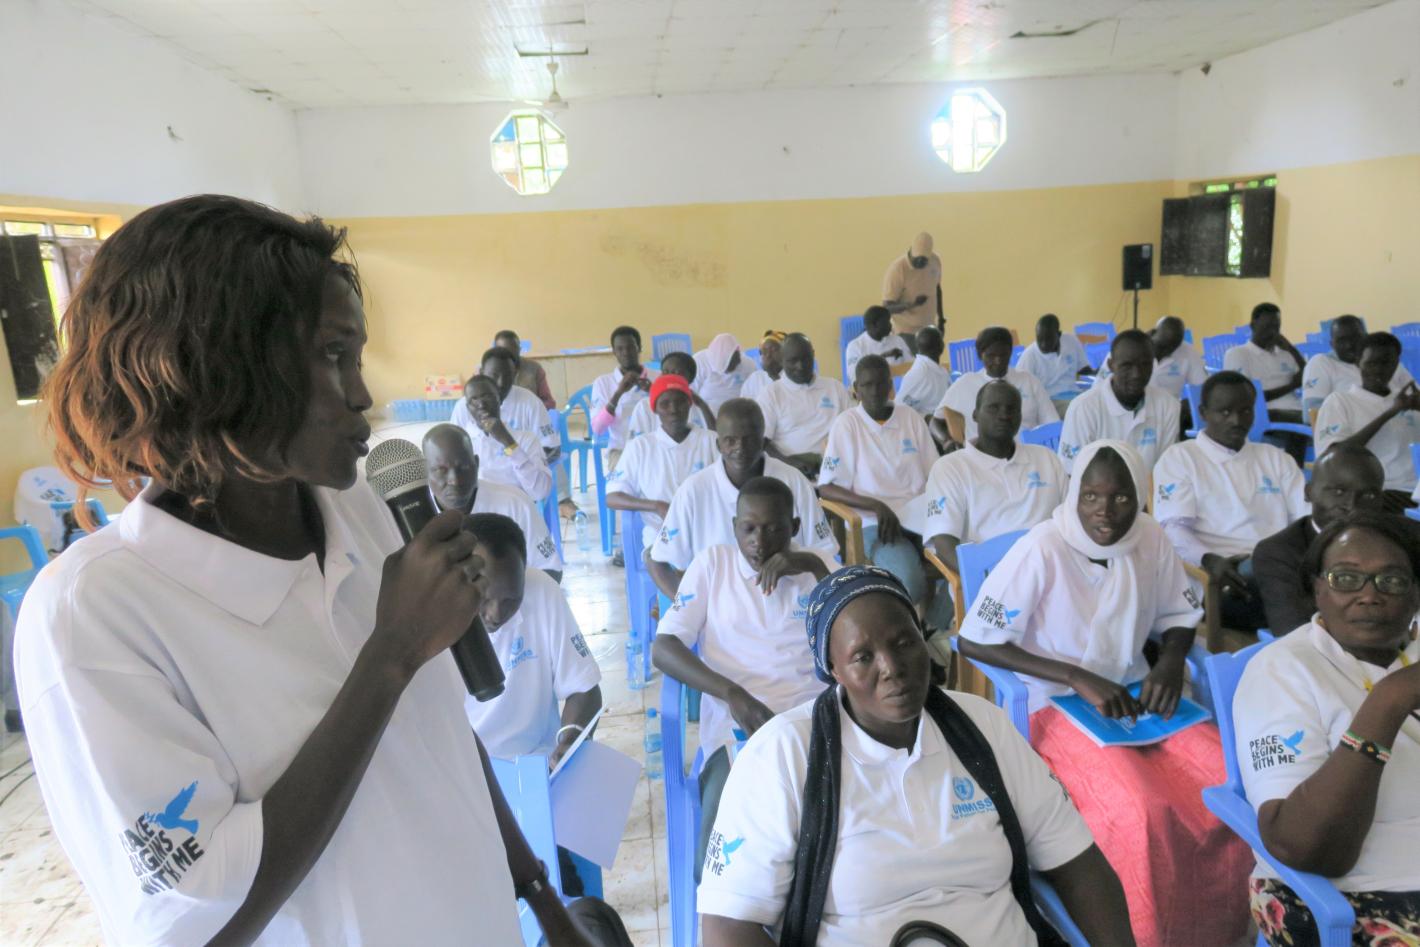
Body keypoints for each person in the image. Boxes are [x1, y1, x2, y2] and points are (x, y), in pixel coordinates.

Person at [11, 195, 592, 946]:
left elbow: (444, 734)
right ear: (212, 365)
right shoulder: (93, 613)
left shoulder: (365, 512)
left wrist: (540, 896)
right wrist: (390, 655)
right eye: (331, 356)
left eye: (357, 357)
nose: (362, 395)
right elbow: (204, 920)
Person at [699, 566, 1135, 947]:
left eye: (905, 642)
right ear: (833, 669)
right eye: (863, 657)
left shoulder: (983, 728)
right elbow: (727, 927)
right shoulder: (784, 755)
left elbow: (1078, 865)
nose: (892, 667)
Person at [959, 441, 1253, 947]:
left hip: (1135, 691)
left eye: (1121, 497)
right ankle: (1147, 934)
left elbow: (1179, 614)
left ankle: (1220, 930)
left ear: (1140, 497)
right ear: (1074, 493)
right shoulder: (1043, 547)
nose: (1105, 511)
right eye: (1091, 496)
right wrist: (1076, 677)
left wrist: (1170, 662)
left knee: (1226, 779)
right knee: (1142, 809)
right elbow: (974, 639)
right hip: (1056, 701)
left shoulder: (1150, 537)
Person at [1234, 514, 1420, 945]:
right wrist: (1388, 702)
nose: (1369, 595)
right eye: (1346, 578)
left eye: (1391, 581)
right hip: (1356, 895)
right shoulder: (1283, 670)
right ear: (1318, 588)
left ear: (1415, 594)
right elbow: (1302, 847)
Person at [652, 478, 832, 880]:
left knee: (829, 845)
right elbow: (664, 647)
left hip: (813, 722)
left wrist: (813, 567)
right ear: (734, 527)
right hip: (737, 732)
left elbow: (859, 625)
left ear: (795, 527)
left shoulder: (818, 566)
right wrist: (732, 693)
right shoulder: (712, 566)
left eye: (773, 529)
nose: (759, 542)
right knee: (719, 866)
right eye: (748, 529)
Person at [1153, 371, 1309, 631]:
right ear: (1203, 413)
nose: (1236, 420)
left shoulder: (1276, 458)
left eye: (1245, 411)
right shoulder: (1181, 458)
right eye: (1225, 412)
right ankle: (1299, 640)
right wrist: (1209, 559)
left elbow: (1304, 521)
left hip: (1278, 567)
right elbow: (1174, 529)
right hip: (1224, 574)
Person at [648, 399, 837, 597]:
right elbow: (659, 559)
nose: (740, 448)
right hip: (719, 603)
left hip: (789, 598)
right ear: (718, 445)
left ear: (764, 442)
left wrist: (797, 560)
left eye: (750, 440)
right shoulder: (693, 491)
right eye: (730, 440)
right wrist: (690, 606)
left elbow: (824, 552)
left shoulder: (794, 481)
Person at [461, 514, 601, 769]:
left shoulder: (542, 590)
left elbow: (584, 687)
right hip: (467, 769)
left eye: (511, 600)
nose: (495, 614)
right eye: (484, 599)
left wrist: (570, 741)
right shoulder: (437, 619)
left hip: (537, 763)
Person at [817, 355, 935, 604]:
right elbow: (826, 488)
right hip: (875, 522)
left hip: (919, 516)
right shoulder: (847, 424)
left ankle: (931, 621)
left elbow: (935, 472)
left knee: (957, 560)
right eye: (867, 385)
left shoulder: (910, 417)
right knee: (909, 580)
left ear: (891, 385)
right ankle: (909, 618)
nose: (874, 391)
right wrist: (876, 506)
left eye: (881, 383)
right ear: (856, 389)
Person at [923, 381, 1066, 576]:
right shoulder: (950, 468)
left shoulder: (1047, 459)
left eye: (1012, 409)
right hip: (990, 580)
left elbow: (1071, 520)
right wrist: (987, 580)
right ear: (975, 415)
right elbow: (944, 542)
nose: (1004, 415)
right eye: (993, 407)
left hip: (1053, 574)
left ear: (1020, 416)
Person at [1253, 445, 1388, 636]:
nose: (1352, 506)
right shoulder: (1278, 554)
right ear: (1309, 492)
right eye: (1339, 492)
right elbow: (1295, 634)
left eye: (1368, 495)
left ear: (1381, 500)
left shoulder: (1403, 541)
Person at [423, 424, 563, 581]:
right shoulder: (413, 518)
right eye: (441, 470)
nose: (454, 480)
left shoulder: (514, 505)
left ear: (476, 464)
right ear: (424, 471)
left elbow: (551, 570)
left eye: (464, 467)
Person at [606, 374, 719, 549]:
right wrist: (657, 506)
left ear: (689, 404)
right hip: (661, 534)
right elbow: (612, 497)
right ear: (655, 409)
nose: (673, 410)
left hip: (708, 532)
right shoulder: (640, 447)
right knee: (660, 557)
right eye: (665, 404)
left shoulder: (711, 441)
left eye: (680, 402)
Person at [1316, 332, 1420, 505]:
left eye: (1386, 363)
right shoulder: (1340, 401)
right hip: (1380, 490)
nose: (1378, 370)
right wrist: (1391, 412)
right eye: (1371, 363)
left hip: (1416, 489)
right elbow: (1335, 456)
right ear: (1358, 362)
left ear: (1396, 364)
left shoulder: (1409, 399)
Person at [1058, 329, 1179, 474]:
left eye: (1145, 364)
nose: (1136, 374)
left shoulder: (1168, 406)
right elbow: (1072, 473)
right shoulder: (1083, 409)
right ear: (1111, 365)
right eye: (1127, 365)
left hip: (1150, 488)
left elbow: (1166, 471)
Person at [934, 326, 1055, 447]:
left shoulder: (1029, 381)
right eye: (991, 356)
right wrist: (947, 442)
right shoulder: (965, 384)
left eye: (1003, 355)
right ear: (980, 355)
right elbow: (935, 421)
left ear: (1010, 353)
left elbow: (1052, 424)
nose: (998, 361)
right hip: (981, 456)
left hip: (1027, 453)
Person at [1223, 302, 1309, 465]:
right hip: (1264, 412)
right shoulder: (1239, 354)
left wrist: (1291, 348)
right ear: (1253, 325)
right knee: (1300, 425)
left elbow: (1307, 375)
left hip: (1295, 409)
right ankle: (1294, 472)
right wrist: (1291, 386)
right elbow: (1245, 397)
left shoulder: (1285, 354)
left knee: (1325, 418)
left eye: (1276, 327)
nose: (1272, 333)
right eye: (1267, 327)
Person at [758, 333, 852, 479]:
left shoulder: (835, 388)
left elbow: (852, 430)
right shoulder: (771, 394)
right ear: (782, 360)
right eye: (793, 361)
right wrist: (790, 463)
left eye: (806, 359)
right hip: (789, 472)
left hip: (834, 467)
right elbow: (761, 442)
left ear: (813, 354)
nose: (800, 366)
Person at [453, 346, 562, 470]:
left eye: (507, 376)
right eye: (494, 375)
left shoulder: (530, 403)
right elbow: (453, 449)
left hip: (520, 477)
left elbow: (551, 449)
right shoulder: (464, 406)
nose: (500, 383)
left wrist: (515, 466)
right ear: (482, 372)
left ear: (515, 374)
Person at [454, 375, 553, 502]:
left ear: (499, 400)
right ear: (468, 407)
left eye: (487, 396)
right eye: (474, 399)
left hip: (515, 508)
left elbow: (540, 492)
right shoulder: (462, 443)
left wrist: (508, 442)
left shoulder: (526, 439)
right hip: (479, 510)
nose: (481, 405)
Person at [1301, 314, 1415, 414]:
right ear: (1332, 344)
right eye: (1341, 341)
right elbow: (1312, 413)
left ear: (1366, 337)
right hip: (1357, 428)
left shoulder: (1385, 361)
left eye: (1355, 338)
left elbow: (1414, 393)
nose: (1349, 345)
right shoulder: (1321, 363)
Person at [590, 325, 658, 471]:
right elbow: (598, 428)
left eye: (630, 347)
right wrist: (618, 393)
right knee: (624, 482)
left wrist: (653, 392)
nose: (626, 353)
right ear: (614, 352)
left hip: (656, 449)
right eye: (620, 349)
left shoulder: (657, 377)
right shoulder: (603, 383)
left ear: (639, 348)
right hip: (621, 450)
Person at [625, 350, 715, 440]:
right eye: (665, 372)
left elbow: (714, 440)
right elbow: (636, 444)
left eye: (677, 373)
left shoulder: (701, 406)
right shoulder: (644, 406)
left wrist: (703, 406)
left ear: (691, 378)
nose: (669, 377)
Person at [1015, 314, 1093, 406]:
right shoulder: (1029, 356)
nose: (1043, 344)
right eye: (1040, 339)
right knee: (1082, 409)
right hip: (1048, 400)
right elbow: (1020, 387)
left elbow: (1083, 369)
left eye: (1048, 339)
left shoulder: (1071, 341)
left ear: (1058, 335)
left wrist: (1098, 378)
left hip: (1074, 393)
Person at [881, 231, 943, 344]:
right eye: (917, 259)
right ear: (911, 252)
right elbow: (886, 308)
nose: (920, 262)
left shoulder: (935, 261)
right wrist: (912, 304)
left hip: (929, 329)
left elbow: (937, 290)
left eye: (924, 260)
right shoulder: (898, 269)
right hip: (906, 333)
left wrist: (941, 320)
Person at [896, 325, 951, 420]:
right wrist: (927, 418)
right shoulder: (920, 374)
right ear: (941, 346)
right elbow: (900, 409)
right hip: (931, 425)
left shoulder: (939, 370)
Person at [494, 329, 555, 410]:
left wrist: (530, 409)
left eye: (513, 351)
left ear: (519, 349)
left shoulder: (534, 369)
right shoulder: (487, 370)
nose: (509, 356)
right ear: (495, 351)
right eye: (504, 352)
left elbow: (549, 402)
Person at [844, 304, 910, 378]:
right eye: (886, 322)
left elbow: (911, 365)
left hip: (900, 383)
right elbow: (855, 376)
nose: (890, 325)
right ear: (874, 325)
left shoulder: (898, 340)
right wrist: (884, 357)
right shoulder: (855, 346)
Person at [693, 332, 749, 414]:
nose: (730, 371)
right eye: (729, 366)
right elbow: (690, 393)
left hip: (737, 414)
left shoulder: (747, 365)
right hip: (705, 413)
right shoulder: (699, 363)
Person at [738, 330, 785, 402]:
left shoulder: (792, 377)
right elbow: (743, 405)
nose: (768, 355)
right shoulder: (755, 379)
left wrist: (774, 376)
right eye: (764, 351)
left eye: (773, 350)